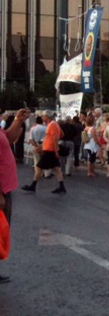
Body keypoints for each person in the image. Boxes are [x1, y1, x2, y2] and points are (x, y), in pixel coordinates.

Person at [0, 108, 29, 283]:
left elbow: (8, 139)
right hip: (1, 189)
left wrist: (18, 120)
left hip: (5, 187)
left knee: (2, 230)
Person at [22, 110, 66, 194]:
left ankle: (33, 185)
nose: (42, 117)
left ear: (47, 116)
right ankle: (61, 186)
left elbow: (55, 137)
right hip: (49, 149)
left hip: (49, 150)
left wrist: (56, 150)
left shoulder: (52, 124)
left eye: (43, 116)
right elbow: (61, 134)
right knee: (57, 169)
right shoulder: (53, 124)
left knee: (39, 167)